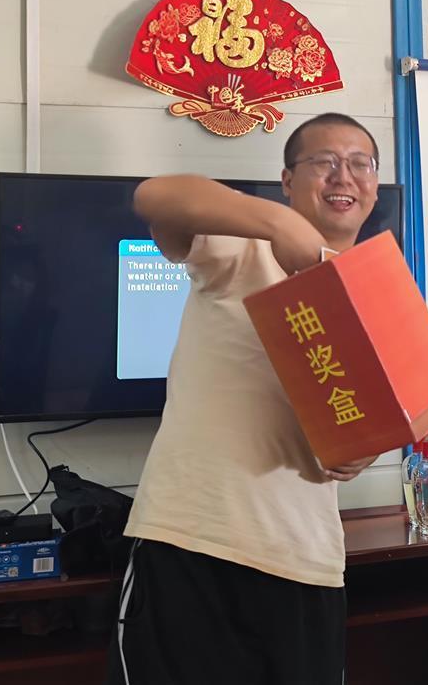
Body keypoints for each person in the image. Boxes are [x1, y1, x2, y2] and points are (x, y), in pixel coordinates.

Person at [109, 112, 383, 685]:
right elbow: (155, 196)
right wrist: (276, 223)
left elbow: (380, 411)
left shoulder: (375, 291)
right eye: (325, 162)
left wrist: (365, 447)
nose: (344, 176)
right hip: (195, 543)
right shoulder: (244, 248)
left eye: (360, 164)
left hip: (308, 562)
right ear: (287, 180)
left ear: (374, 186)